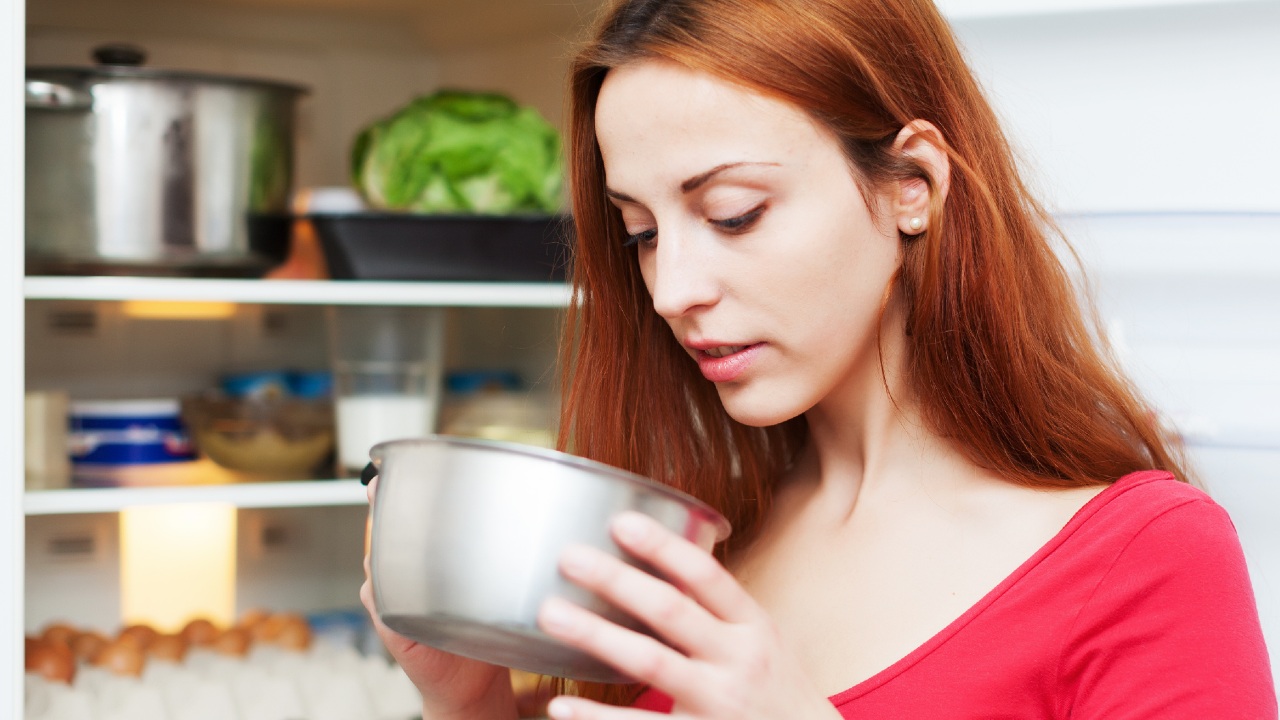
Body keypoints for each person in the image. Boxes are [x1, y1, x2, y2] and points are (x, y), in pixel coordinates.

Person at [360, 0, 1278, 717]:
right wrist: (471, 708)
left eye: (733, 214)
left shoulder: (1145, 559)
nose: (672, 286)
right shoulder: (702, 542)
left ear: (912, 185)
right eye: (639, 232)